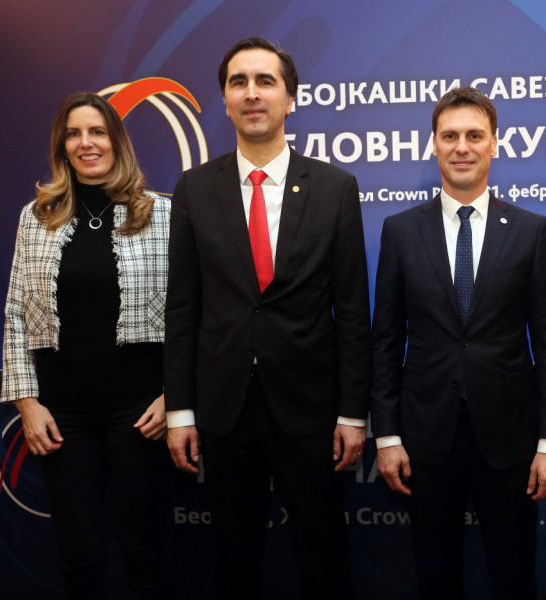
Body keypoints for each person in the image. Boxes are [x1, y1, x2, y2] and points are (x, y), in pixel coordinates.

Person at [164, 37, 369, 598]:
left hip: (310, 407)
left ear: (290, 98)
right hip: (224, 408)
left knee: (324, 557)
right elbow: (182, 309)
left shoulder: (335, 188)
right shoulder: (194, 189)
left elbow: (353, 311)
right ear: (225, 101)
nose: (252, 93)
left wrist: (353, 412)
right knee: (233, 560)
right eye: (239, 82)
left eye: (265, 81)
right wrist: (180, 411)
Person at [370, 86, 546, 600]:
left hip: (509, 437)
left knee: (513, 574)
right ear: (434, 145)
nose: (462, 147)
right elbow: (386, 341)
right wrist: (386, 437)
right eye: (450, 136)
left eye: (475, 135)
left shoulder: (529, 230)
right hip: (425, 437)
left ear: (494, 144)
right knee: (435, 574)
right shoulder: (400, 230)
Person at [0, 91, 171, 598]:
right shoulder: (36, 216)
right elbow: (15, 313)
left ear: (117, 140)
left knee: (146, 552)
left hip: (141, 411)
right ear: (62, 146)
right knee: (79, 556)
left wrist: (176, 396)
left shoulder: (161, 213)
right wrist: (27, 402)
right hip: (61, 416)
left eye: (97, 131)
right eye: (73, 134)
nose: (86, 143)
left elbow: (193, 313)